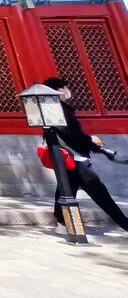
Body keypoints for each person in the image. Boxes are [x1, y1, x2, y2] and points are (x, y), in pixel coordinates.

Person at [42, 76, 128, 233]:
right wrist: (89, 139)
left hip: (71, 157)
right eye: (65, 88)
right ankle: (124, 223)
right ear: (58, 91)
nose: (67, 91)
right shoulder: (55, 109)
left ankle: (62, 223)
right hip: (74, 157)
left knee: (66, 190)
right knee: (97, 189)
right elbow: (69, 134)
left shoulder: (56, 108)